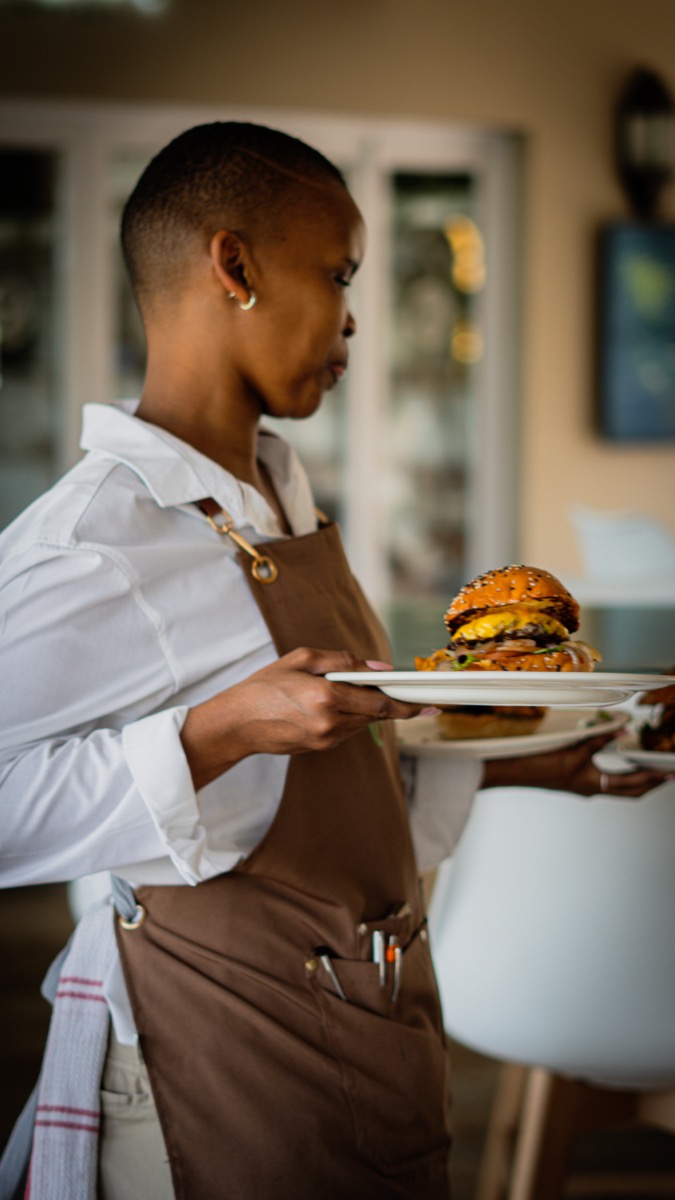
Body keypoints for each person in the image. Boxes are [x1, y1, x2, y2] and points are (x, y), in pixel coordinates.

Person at [0, 122, 667, 1200]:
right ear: (235, 266)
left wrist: (517, 764)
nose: (354, 315)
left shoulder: (278, 497)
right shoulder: (99, 541)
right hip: (218, 1073)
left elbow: (312, 776)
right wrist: (223, 728)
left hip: (361, 1041)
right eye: (339, 272)